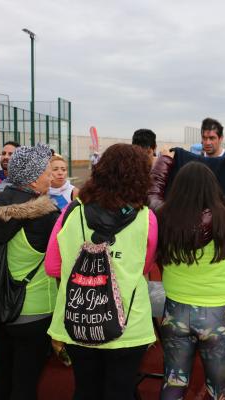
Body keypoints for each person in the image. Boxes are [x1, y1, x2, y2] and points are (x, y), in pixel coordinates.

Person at [45, 144, 158, 400]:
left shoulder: (71, 211)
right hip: (128, 322)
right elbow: (144, 267)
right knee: (121, 389)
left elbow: (52, 266)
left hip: (78, 317)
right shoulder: (146, 218)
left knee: (85, 389)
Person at [149, 151, 225, 399]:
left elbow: (151, 193)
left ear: (177, 188)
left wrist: (164, 161)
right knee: (219, 389)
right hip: (218, 313)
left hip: (176, 310)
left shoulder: (163, 215)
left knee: (173, 381)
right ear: (213, 188)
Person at [0, 143, 59, 400]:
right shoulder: (45, 216)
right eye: (47, 171)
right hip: (34, 309)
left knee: (3, 372)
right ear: (33, 178)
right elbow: (59, 262)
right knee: (26, 382)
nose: (51, 176)